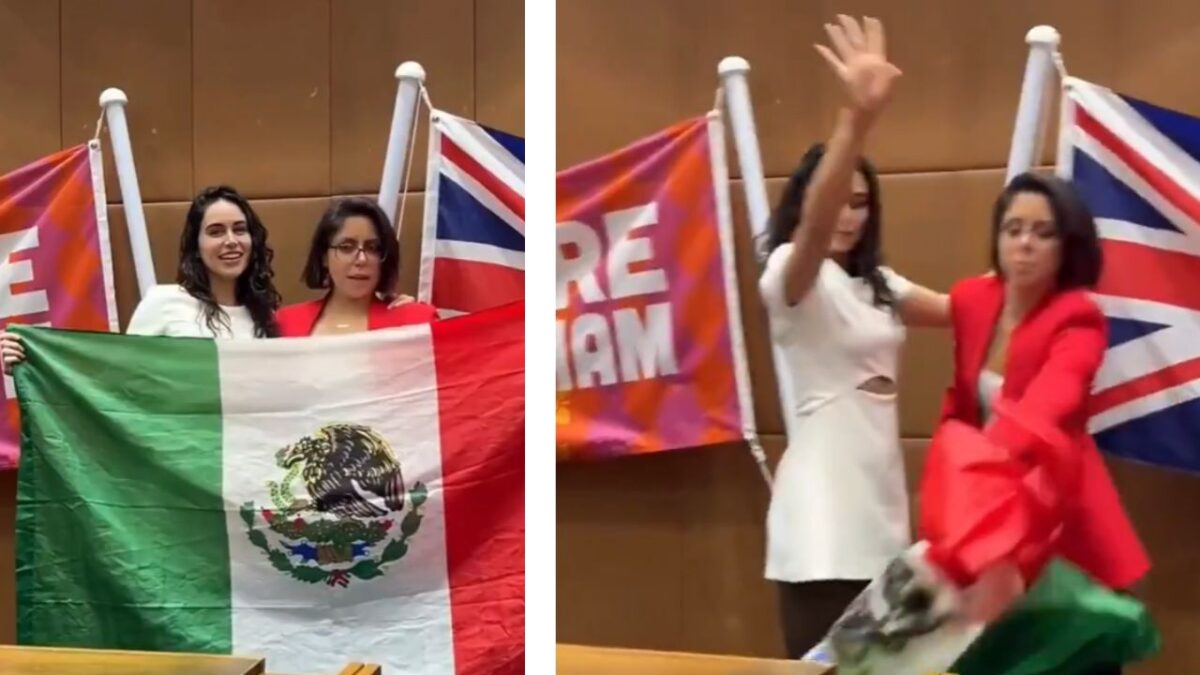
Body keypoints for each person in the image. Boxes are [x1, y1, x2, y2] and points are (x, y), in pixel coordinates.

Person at [757, 15, 950, 658]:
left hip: (883, 513)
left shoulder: (879, 284)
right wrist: (857, 119)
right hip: (820, 522)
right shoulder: (792, 270)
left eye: (861, 202)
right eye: (838, 197)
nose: (847, 213)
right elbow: (813, 228)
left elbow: (965, 308)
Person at [917, 172, 1151, 674]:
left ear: (1067, 247)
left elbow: (1045, 410)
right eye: (1013, 228)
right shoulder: (971, 302)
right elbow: (960, 409)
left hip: (1059, 527)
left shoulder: (1078, 317)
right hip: (990, 527)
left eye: (1043, 233)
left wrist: (977, 485)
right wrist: (949, 508)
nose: (1024, 244)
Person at [1, 185, 281, 370]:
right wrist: (34, 362)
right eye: (216, 231)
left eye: (240, 229)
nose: (231, 240)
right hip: (182, 453)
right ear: (196, 247)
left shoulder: (265, 318)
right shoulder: (164, 302)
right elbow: (118, 378)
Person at [275, 197, 436, 337]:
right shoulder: (284, 323)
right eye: (346, 247)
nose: (361, 259)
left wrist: (409, 316)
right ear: (324, 256)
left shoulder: (416, 323)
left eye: (373, 248)